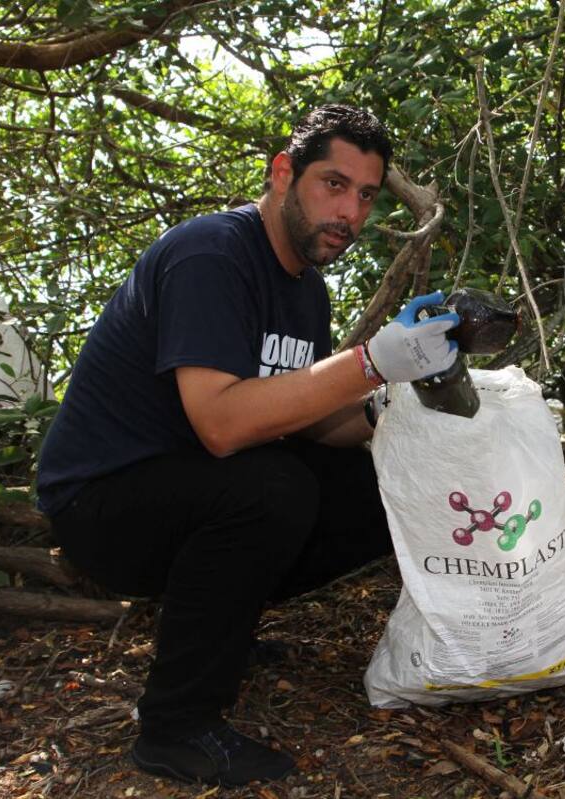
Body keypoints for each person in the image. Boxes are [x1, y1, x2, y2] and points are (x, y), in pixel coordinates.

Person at [36, 105, 460, 786]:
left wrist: (399, 400)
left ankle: (217, 628)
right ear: (282, 173)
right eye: (333, 184)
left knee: (379, 488)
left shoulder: (306, 291)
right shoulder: (211, 255)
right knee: (273, 490)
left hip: (192, 484)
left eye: (366, 196)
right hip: (100, 500)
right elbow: (224, 425)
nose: (348, 212)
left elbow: (308, 422)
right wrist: (370, 362)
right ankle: (175, 728)